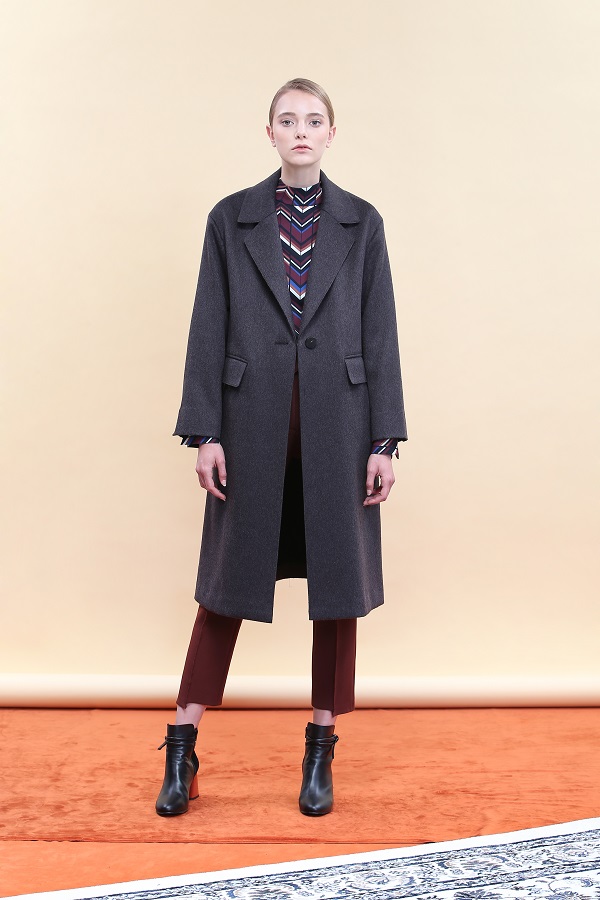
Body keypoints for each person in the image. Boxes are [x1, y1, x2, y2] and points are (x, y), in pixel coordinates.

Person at [156, 77, 408, 818]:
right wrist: (204, 431)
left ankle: (321, 749)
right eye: (288, 119)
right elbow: (207, 325)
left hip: (342, 425)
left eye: (314, 119)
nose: (301, 130)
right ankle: (180, 747)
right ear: (269, 132)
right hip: (250, 424)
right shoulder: (230, 219)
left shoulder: (362, 223)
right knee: (224, 590)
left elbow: (381, 332)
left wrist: (385, 439)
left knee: (337, 592)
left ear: (331, 133)